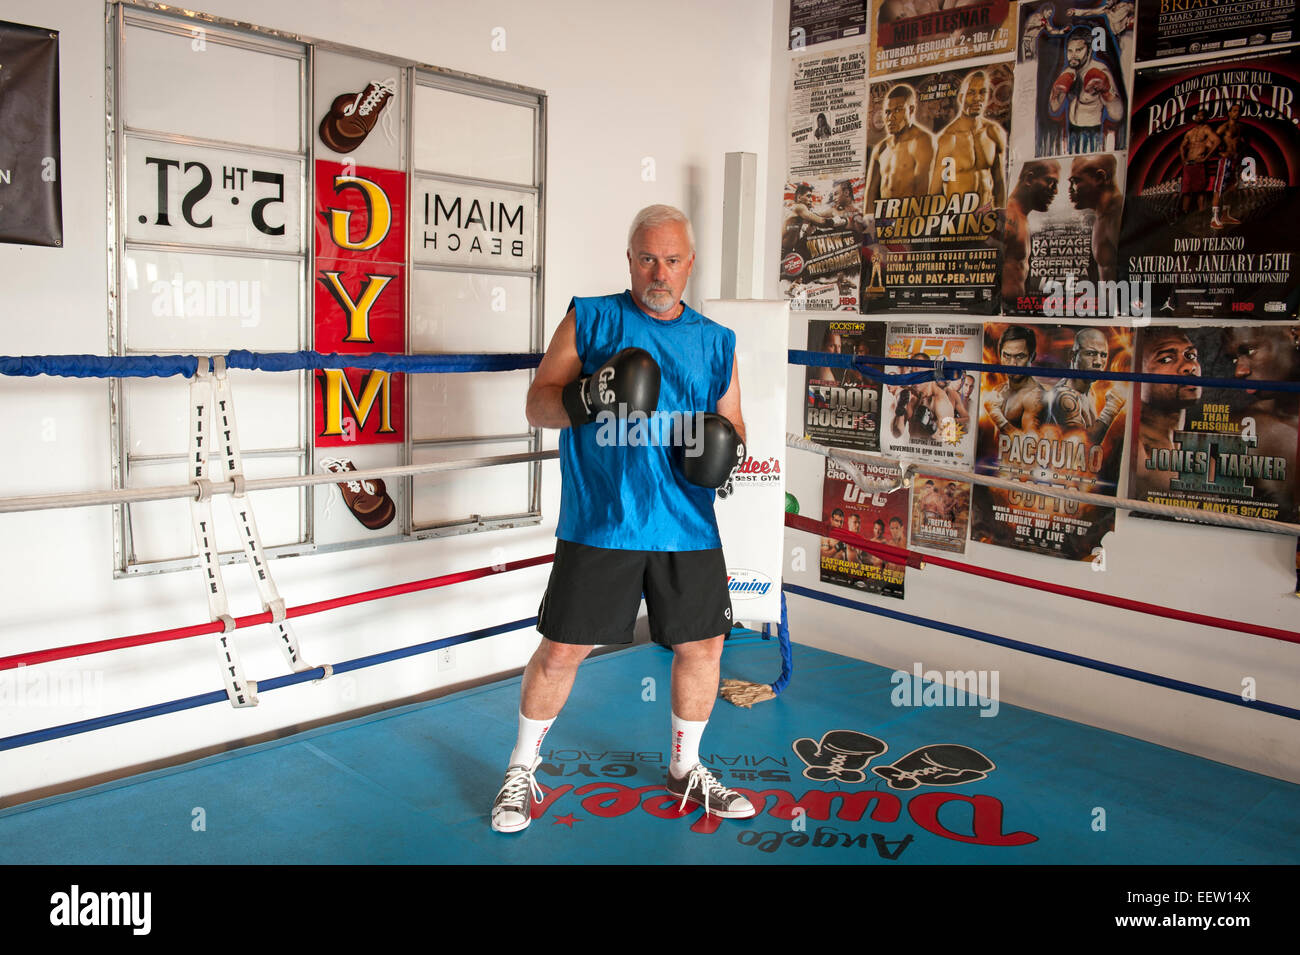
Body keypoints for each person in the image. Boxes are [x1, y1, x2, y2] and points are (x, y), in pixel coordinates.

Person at [491, 205, 752, 833]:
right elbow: (537, 404)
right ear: (629, 259)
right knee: (562, 650)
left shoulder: (717, 341)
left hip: (687, 526)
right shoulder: (592, 316)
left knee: (703, 645)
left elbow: (736, 423)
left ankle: (686, 767)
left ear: (690, 264)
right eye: (645, 258)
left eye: (670, 260)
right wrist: (587, 396)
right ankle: (521, 771)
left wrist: (724, 450)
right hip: (603, 521)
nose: (657, 272)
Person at [1135, 328, 1202, 494]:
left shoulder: (1199, 450)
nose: (1189, 366)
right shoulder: (1134, 449)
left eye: (1190, 355)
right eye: (1165, 359)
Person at [931, 70, 1007, 211]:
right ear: (961, 98)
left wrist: (1001, 217)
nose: (978, 98)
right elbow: (935, 190)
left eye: (982, 92)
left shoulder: (993, 132)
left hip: (986, 217)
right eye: (971, 93)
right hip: (958, 220)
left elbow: (999, 182)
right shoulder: (948, 138)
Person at [1047, 29, 1123, 155]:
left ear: (1089, 51)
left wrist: (1107, 92)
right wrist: (1057, 92)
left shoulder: (1101, 71)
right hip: (1071, 132)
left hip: (1093, 133)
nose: (1073, 55)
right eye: (1070, 51)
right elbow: (1054, 107)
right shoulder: (1068, 72)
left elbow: (1117, 115)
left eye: (1079, 50)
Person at [1045, 327, 1126, 445]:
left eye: (1103, 355)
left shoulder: (1088, 389)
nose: (1098, 362)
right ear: (1072, 355)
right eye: (1090, 353)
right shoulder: (1065, 397)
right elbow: (1082, 445)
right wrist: (1111, 408)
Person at [866, 85, 935, 210]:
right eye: (887, 112)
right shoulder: (881, 147)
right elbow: (871, 192)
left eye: (898, 110)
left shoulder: (922, 141)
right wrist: (868, 222)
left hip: (910, 220)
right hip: (885, 221)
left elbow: (924, 189)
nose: (890, 118)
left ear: (911, 110)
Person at [1003, 160, 1060, 305]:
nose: (1055, 191)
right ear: (1029, 179)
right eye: (1050, 182)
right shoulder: (1008, 217)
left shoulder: (1020, 217)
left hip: (1014, 312)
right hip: (1002, 314)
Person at [1066, 154, 1122, 283]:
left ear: (1100, 178)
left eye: (1075, 181)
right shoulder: (1103, 216)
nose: (1070, 189)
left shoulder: (1118, 216)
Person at [985, 325, 1046, 436]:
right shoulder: (999, 390)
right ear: (1000, 355)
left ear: (1032, 357)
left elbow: (1030, 447)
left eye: (1020, 356)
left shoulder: (1034, 398)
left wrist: (998, 418)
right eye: (1007, 356)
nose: (1012, 363)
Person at [1178, 109, 1220, 216]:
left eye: (1201, 116)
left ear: (1205, 118)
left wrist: (1206, 157)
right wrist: (1183, 159)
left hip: (1199, 163)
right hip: (1188, 165)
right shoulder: (1190, 132)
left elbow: (1217, 141)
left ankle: (1202, 214)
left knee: (1200, 191)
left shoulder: (1206, 130)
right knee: (1186, 191)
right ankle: (1184, 214)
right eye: (1197, 115)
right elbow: (1182, 146)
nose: (1199, 117)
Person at [1210, 103, 1245, 230]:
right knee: (1219, 188)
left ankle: (1225, 215)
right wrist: (1220, 153)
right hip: (1225, 161)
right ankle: (1214, 218)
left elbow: (1242, 143)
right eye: (1234, 110)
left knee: (1231, 188)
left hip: (1235, 161)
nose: (1237, 113)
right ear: (1229, 113)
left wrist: (1239, 154)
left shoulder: (1240, 127)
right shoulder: (1223, 127)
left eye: (1239, 111)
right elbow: (1211, 142)